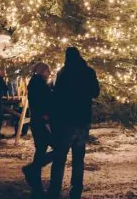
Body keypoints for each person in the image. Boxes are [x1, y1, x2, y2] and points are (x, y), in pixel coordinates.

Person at [46, 48, 100, 199]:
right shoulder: (89, 72)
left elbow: (57, 96)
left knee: (60, 156)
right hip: (82, 119)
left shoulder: (63, 72)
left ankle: (54, 189)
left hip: (66, 120)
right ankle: (76, 189)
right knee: (78, 158)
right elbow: (95, 92)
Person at [23, 62, 54, 196]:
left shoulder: (36, 83)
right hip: (42, 121)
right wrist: (46, 117)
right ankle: (32, 170)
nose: (49, 74)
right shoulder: (39, 85)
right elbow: (43, 102)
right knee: (56, 148)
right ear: (43, 71)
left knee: (41, 150)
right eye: (48, 72)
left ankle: (36, 181)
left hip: (38, 121)